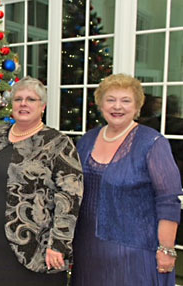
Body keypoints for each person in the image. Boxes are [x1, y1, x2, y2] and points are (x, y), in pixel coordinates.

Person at [0, 76, 83, 286]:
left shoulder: (57, 143)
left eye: (31, 99)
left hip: (34, 247)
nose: (23, 103)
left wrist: (58, 244)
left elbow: (70, 197)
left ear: (43, 106)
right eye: (18, 99)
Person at [71, 74, 182, 286]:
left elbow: (168, 200)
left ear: (137, 106)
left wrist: (166, 249)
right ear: (101, 104)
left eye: (125, 100)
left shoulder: (152, 143)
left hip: (135, 253)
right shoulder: (86, 140)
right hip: (89, 250)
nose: (117, 107)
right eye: (110, 99)